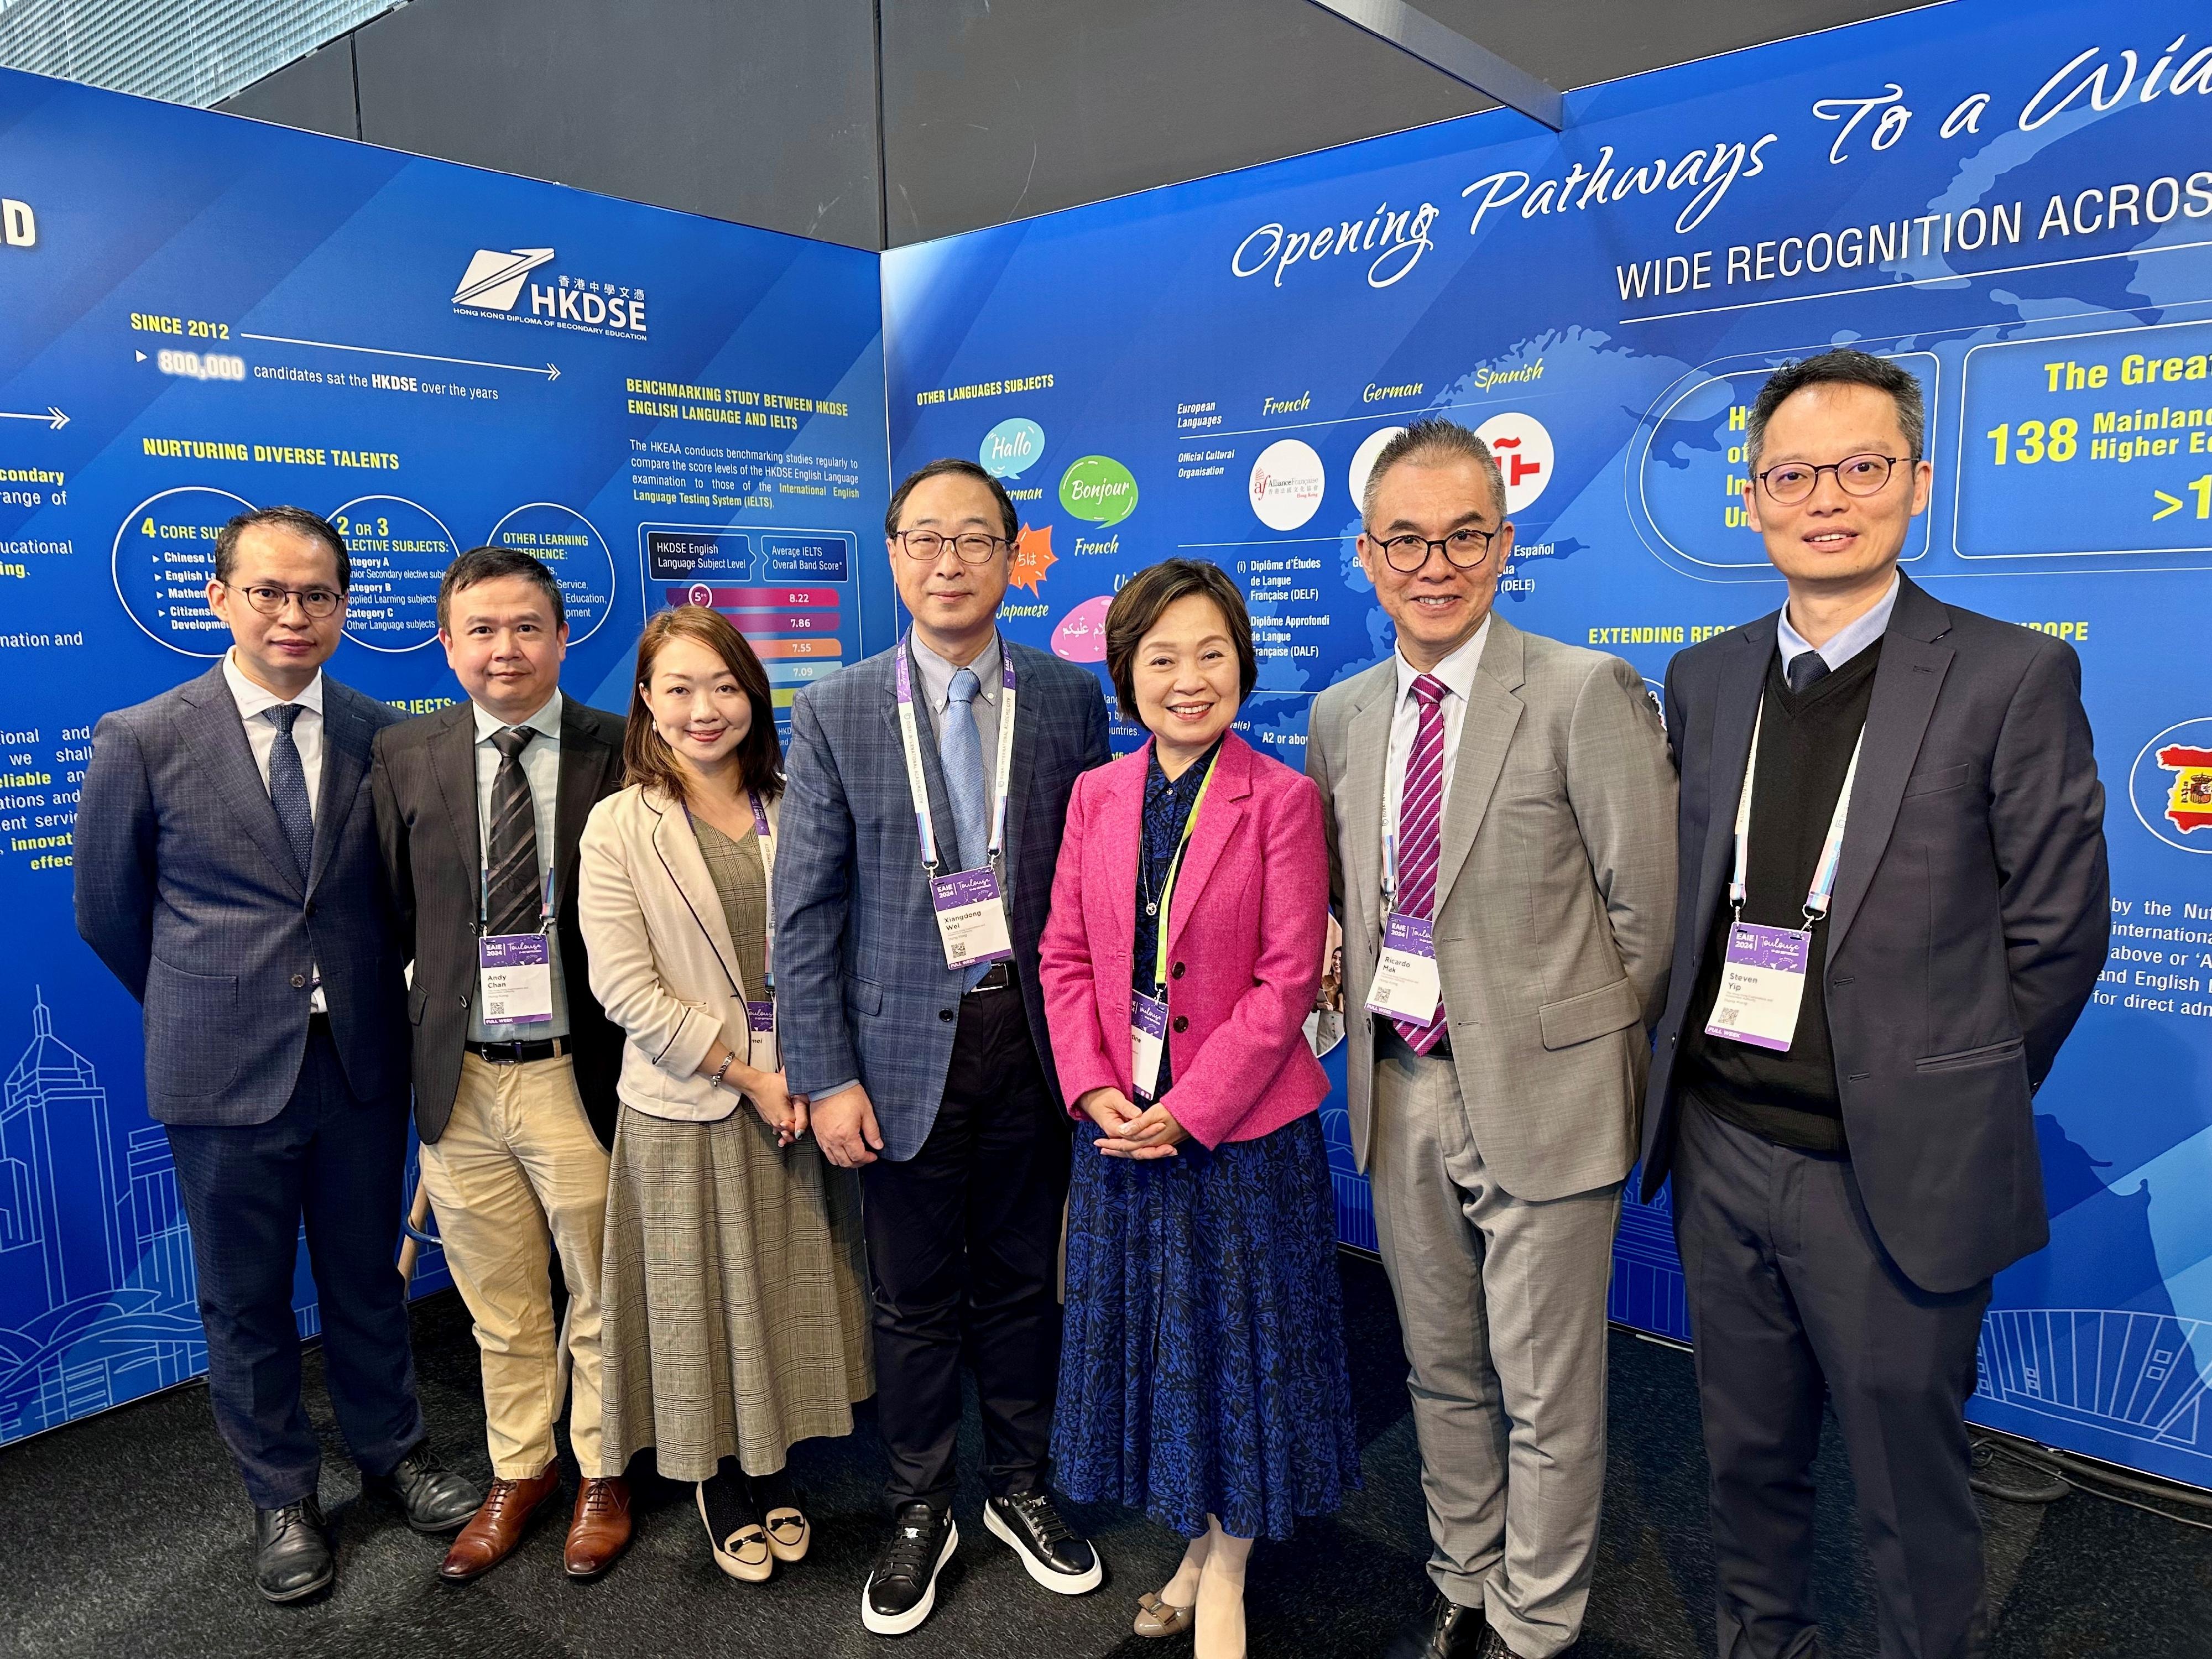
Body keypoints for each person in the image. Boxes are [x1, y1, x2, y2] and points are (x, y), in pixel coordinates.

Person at [1641, 348, 2109, 1659]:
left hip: (1885, 1168)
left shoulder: (2009, 676)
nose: (1823, 498)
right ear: (1749, 498)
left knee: (1911, 1498)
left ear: (1913, 482)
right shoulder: (1706, 678)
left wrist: (1942, 1094)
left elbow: (2058, 932)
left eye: (1858, 467)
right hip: (1722, 1144)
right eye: (1790, 473)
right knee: (1743, 1462)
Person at [1306, 420, 1677, 1659]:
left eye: (1463, 534)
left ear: (1504, 543)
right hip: (1396, 1086)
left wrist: (1550, 1043)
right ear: (1365, 554)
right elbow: (1350, 909)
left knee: (1547, 1396)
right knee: (1438, 1370)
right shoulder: (1340, 715)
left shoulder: (1583, 691)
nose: (1434, 563)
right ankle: (1461, 1575)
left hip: (1544, 1096)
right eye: (1404, 539)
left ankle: (1532, 1620)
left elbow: (1645, 920)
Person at [75, 505, 479, 1603]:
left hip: (355, 1064)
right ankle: (283, 1497)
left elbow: (397, 907)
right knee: (244, 1300)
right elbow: (110, 915)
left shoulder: (380, 733)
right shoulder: (144, 736)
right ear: (219, 599)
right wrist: (213, 999)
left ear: (344, 610)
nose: (292, 615)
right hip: (219, 1070)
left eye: (316, 596)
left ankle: (394, 1455)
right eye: (268, 592)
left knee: (363, 1281)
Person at [775, 458, 1112, 1635]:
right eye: (924, 540)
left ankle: (1019, 1487)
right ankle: (921, 1504)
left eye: (975, 540)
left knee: (1025, 1285)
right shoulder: (833, 707)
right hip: (897, 1061)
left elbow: (1093, 891)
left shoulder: (1070, 700)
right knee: (913, 1300)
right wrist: (824, 1075)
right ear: (894, 555)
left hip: (1032, 1046)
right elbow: (804, 912)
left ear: (1012, 557)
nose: (948, 563)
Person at [1040, 559, 1359, 1659]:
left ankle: (1224, 1564)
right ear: (1125, 673)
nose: (1187, 680)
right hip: (1118, 1132)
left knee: (1238, 1360)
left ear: (1242, 666)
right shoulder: (1096, 796)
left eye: (1209, 655)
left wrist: (1186, 1108)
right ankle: (1192, 1540)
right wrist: (1091, 1088)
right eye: (1160, 658)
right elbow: (1065, 955)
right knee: (1168, 1357)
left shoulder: (1280, 800)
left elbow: (1282, 985)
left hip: (1236, 1140)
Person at [578, 604, 872, 1583]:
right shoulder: (621, 824)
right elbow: (623, 988)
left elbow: (840, 944)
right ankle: (720, 1483)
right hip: (692, 1103)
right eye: (680, 690)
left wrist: (814, 1071)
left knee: (782, 1295)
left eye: (725, 687)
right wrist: (748, 1074)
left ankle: (778, 1464)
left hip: (805, 1090)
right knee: (701, 1304)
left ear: (753, 694)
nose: (706, 710)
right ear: (649, 708)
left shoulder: (800, 799)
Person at [369, 547, 631, 1582]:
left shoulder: (623, 745)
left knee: (603, 1288)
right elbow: (391, 914)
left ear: (563, 639)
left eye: (526, 627)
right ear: (447, 646)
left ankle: (605, 1467)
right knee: (500, 1300)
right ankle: (520, 1470)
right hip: (463, 1082)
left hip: (582, 1073)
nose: (505, 649)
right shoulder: (404, 754)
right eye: (480, 630)